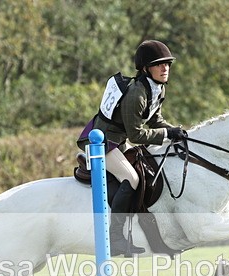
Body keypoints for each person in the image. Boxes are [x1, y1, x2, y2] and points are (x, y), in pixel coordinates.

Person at [78, 40, 186, 256]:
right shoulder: (136, 94)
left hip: (118, 140)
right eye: (159, 64)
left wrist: (178, 132)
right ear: (146, 68)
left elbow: (155, 121)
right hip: (103, 142)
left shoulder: (157, 89)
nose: (165, 68)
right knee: (132, 179)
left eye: (167, 64)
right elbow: (137, 135)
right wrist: (167, 134)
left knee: (146, 171)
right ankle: (115, 235)